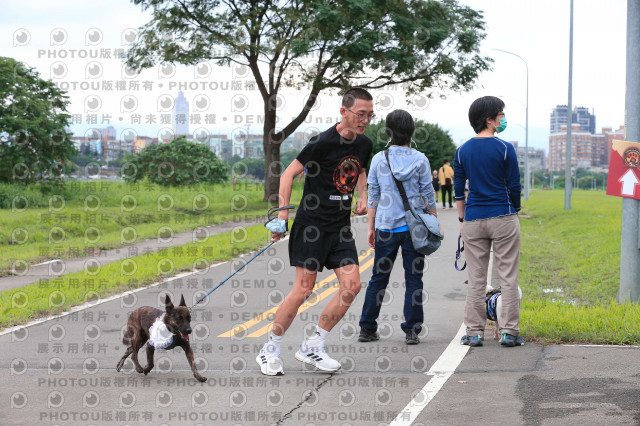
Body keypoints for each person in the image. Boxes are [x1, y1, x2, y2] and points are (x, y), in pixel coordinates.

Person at [257, 88, 374, 375]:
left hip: (340, 227)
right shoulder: (321, 142)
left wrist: (362, 195)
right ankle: (270, 347)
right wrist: (282, 216)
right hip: (311, 226)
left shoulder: (365, 144)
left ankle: (313, 345)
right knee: (304, 290)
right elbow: (288, 174)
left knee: (352, 287)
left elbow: (359, 171)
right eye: (361, 114)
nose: (365, 120)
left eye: (370, 115)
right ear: (344, 111)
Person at [358, 110, 437, 345]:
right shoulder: (420, 159)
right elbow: (428, 195)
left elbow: (373, 195)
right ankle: (412, 330)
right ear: (412, 132)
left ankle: (367, 327)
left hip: (386, 227)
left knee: (378, 278)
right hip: (415, 230)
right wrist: (433, 220)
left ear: (388, 132)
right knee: (414, 279)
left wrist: (371, 227)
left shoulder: (379, 159)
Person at [454, 95, 524, 347]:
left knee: (476, 279)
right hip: (503, 216)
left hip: (473, 218)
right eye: (501, 115)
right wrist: (515, 209)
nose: (503, 119)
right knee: (507, 276)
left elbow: (458, 191)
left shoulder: (462, 150)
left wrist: (462, 218)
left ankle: (473, 332)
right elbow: (514, 185)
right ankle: (509, 332)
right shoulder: (505, 148)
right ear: (490, 120)